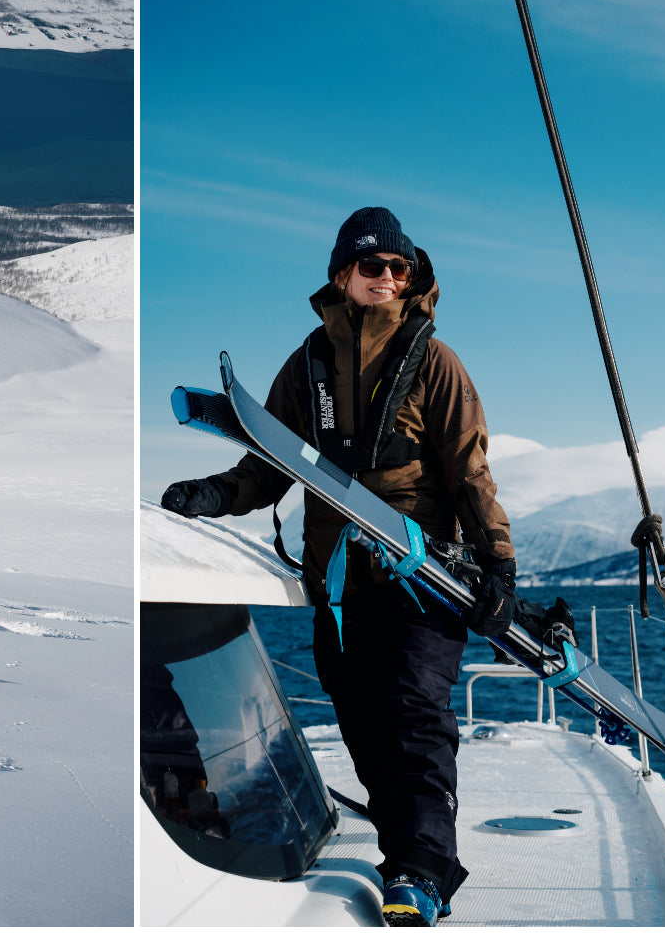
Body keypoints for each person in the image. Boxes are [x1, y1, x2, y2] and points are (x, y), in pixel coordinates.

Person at [161, 206, 520, 927]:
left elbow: (471, 475)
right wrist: (215, 495)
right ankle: (405, 853)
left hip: (421, 580)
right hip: (339, 587)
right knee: (361, 724)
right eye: (372, 266)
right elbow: (271, 465)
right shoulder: (308, 364)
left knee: (413, 716)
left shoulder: (437, 363)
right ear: (341, 274)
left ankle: (422, 872)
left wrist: (499, 567)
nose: (386, 278)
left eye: (398, 268)